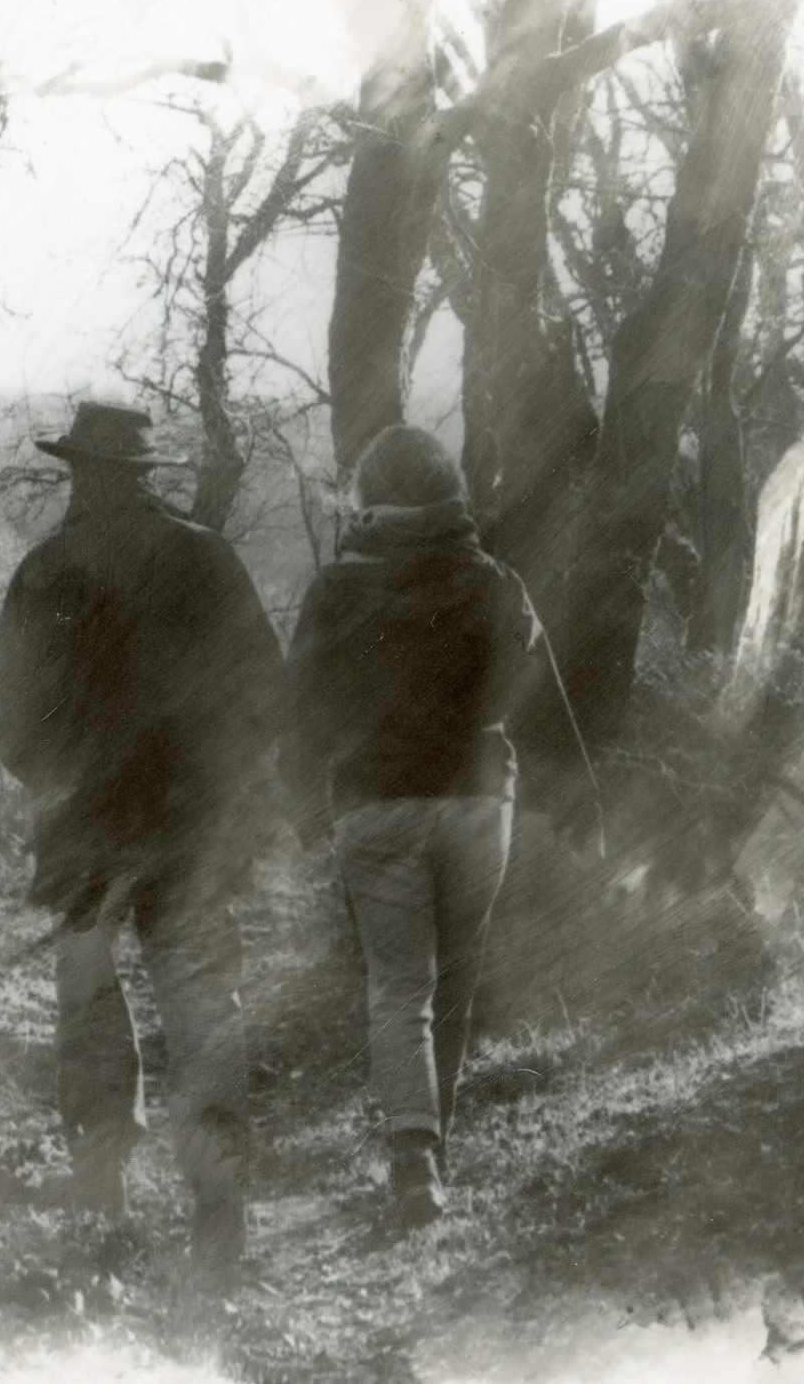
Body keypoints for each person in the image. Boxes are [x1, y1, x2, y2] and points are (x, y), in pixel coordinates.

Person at [0, 402, 286, 1281]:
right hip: (190, 822)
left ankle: (101, 1207)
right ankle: (222, 1218)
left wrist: (59, 775)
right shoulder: (207, 558)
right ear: (144, 474)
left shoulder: (44, 571)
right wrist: (217, 781)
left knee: (89, 1008)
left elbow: (4, 717)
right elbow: (266, 688)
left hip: (81, 828)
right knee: (199, 1008)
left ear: (79, 472)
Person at [282, 424, 541, 1230]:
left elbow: (299, 715)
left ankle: (416, 1158)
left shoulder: (334, 591)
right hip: (474, 803)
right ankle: (435, 1149)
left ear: (369, 497)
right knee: (455, 983)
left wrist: (301, 807)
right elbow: (521, 688)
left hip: (375, 806)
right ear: (448, 491)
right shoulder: (495, 581)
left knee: (400, 987)